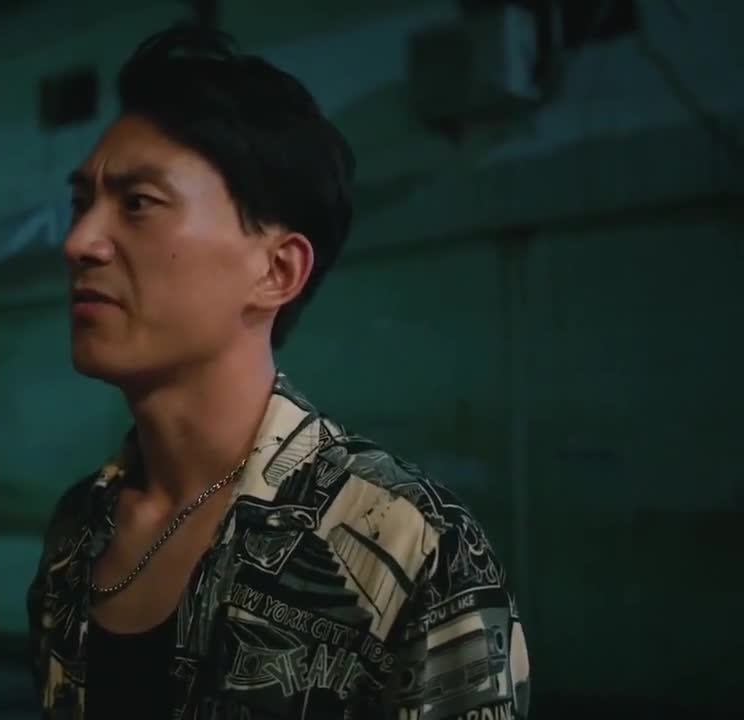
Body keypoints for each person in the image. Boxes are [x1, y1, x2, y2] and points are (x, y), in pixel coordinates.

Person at [27, 24, 530, 720]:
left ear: (276, 271)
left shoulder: (411, 546)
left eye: (138, 203)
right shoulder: (78, 529)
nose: (78, 242)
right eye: (82, 203)